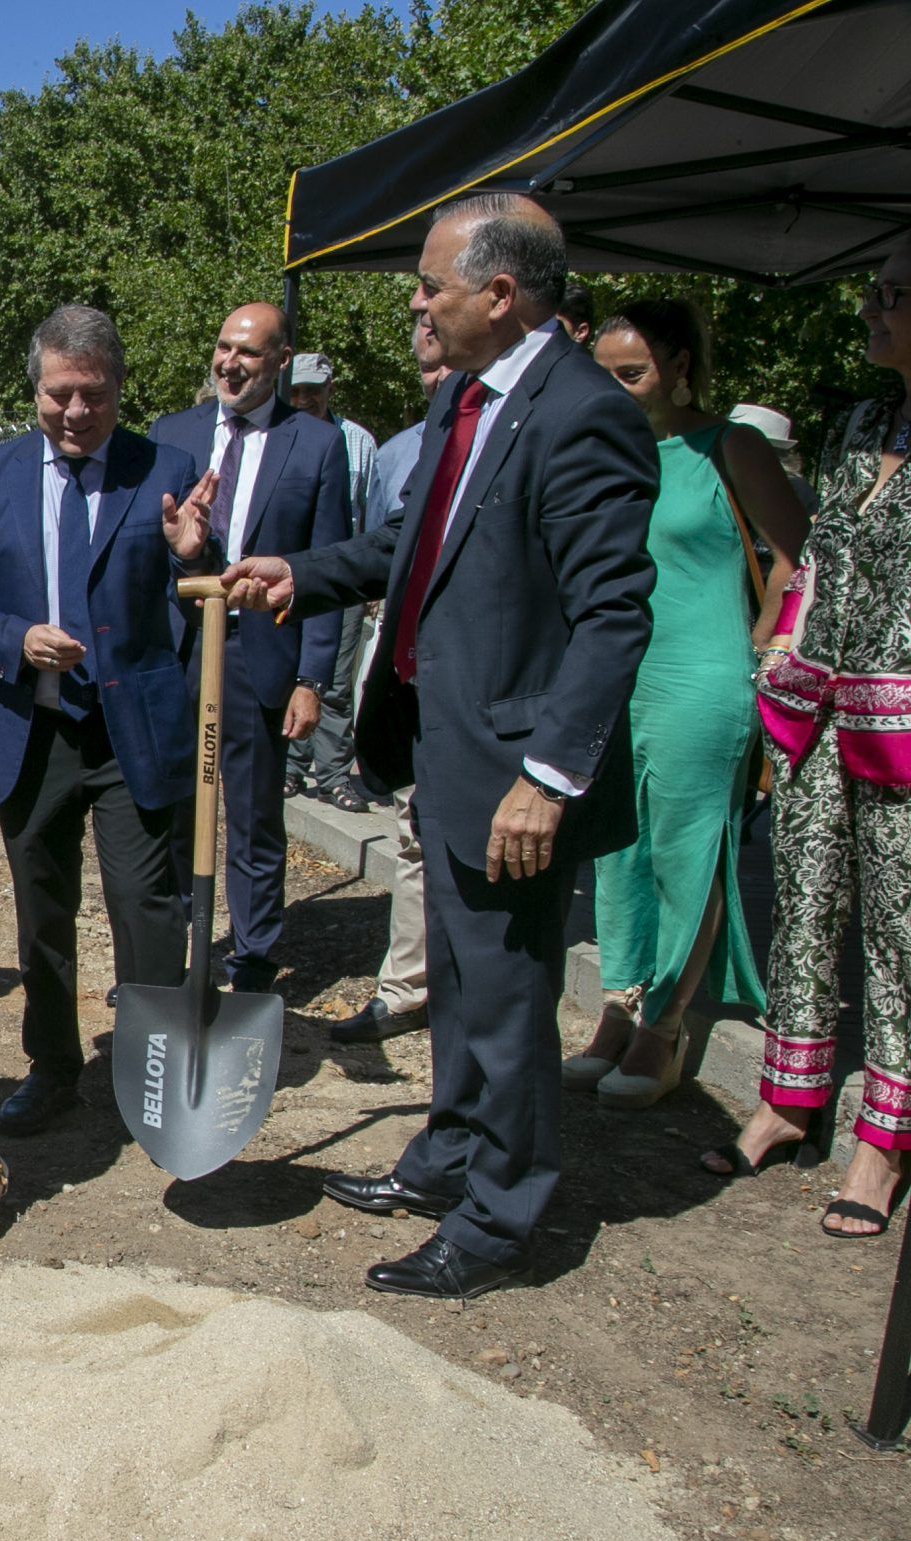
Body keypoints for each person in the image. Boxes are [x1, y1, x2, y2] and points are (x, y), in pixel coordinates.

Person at [225, 194, 660, 1299]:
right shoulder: (467, 398)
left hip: (516, 773)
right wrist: (298, 573)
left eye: (431, 285)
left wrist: (547, 777)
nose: (416, 304)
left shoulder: (582, 414)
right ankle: (448, 1157)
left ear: (500, 294)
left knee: (508, 1000)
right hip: (445, 748)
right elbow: (405, 547)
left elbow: (613, 615)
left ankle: (501, 1217)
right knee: (461, 986)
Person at [0, 305, 222, 1131]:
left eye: (94, 394)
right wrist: (15, 639)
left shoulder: (166, 467)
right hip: (33, 730)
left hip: (134, 734)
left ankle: (154, 1074)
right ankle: (54, 1067)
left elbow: (210, 595)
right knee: (43, 913)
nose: (77, 411)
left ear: (119, 387)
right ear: (36, 390)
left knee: (146, 906)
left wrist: (194, 555)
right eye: (60, 394)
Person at [571, 301, 801, 1107]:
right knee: (616, 851)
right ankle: (618, 1007)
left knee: (685, 851)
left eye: (631, 373)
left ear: (678, 365)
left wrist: (765, 645)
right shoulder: (605, 450)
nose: (615, 389)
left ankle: (664, 1028)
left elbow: (796, 556)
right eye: (603, 374)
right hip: (618, 675)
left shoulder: (730, 446)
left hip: (703, 673)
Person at [728, 233, 911, 1236]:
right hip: (820, 708)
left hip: (902, 723)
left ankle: (883, 1141)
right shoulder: (859, 425)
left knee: (898, 928)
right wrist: (784, 653)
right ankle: (787, 1098)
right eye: (872, 290)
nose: (871, 309)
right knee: (802, 898)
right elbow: (820, 556)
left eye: (893, 294)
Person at [152, 305, 352, 992]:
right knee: (172, 808)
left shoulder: (316, 444)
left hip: (259, 653)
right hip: (179, 647)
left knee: (254, 817)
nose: (229, 364)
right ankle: (172, 958)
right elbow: (149, 551)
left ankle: (253, 961)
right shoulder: (172, 435)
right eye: (222, 347)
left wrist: (312, 679)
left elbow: (327, 568)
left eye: (248, 353)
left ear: (281, 361)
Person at [331, 337, 452, 1046]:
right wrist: (296, 575)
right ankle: (409, 989)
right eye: (427, 365)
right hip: (414, 683)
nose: (437, 376)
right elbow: (386, 547)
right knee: (413, 836)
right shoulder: (411, 448)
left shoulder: (558, 425)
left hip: (494, 705)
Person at [281, 351, 382, 811]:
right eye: (295, 391)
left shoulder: (358, 442)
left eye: (313, 391)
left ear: (330, 391)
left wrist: (371, 583)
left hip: (342, 581)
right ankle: (290, 766)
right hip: (287, 578)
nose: (303, 399)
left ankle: (335, 775)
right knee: (291, 676)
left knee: (335, 682)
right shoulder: (279, 436)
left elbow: (372, 514)